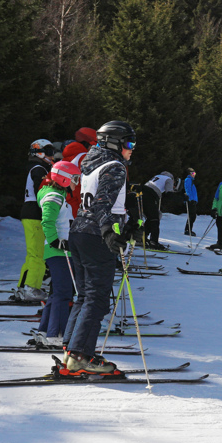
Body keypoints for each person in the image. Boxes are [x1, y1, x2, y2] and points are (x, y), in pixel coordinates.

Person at [62, 120, 138, 375]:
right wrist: (109, 232)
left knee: (84, 295)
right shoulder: (115, 167)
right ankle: (80, 356)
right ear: (114, 143)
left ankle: (71, 350)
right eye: (129, 143)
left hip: (79, 233)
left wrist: (126, 227)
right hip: (96, 237)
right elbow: (102, 205)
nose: (132, 149)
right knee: (96, 298)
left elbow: (99, 203)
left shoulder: (90, 163)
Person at [30, 160, 81, 348]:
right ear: (64, 178)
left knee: (56, 293)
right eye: (74, 178)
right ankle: (56, 334)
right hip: (59, 252)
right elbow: (47, 221)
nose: (76, 182)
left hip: (60, 250)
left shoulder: (56, 194)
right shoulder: (54, 196)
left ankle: (45, 331)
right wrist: (55, 241)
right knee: (64, 293)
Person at [16, 138, 54, 301]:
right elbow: (43, 191)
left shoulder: (36, 167)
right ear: (40, 152)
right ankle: (32, 288)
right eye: (50, 152)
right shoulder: (39, 169)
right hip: (35, 213)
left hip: (30, 213)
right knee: (38, 254)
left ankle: (23, 287)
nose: (53, 156)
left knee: (33, 254)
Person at [140, 171, 176, 250]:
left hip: (141, 193)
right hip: (150, 195)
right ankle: (154, 242)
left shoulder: (158, 176)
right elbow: (169, 193)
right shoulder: (169, 179)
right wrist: (181, 197)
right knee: (154, 218)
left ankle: (141, 237)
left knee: (153, 216)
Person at [183, 167, 199, 236]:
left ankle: (188, 229)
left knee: (193, 215)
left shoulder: (191, 180)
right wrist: (190, 199)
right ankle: (188, 230)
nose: (194, 174)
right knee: (192, 215)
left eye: (194, 173)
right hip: (191, 200)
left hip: (193, 200)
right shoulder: (188, 180)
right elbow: (188, 190)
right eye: (193, 173)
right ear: (189, 174)